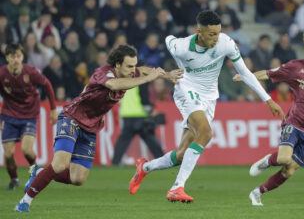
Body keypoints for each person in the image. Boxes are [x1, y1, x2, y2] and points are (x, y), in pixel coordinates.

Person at [129, 10, 285, 203]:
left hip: (210, 97)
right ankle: (177, 188)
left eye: (218, 33)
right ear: (199, 32)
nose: (216, 38)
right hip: (186, 89)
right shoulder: (182, 47)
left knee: (181, 154)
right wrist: (168, 73)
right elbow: (168, 38)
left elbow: (245, 72)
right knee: (206, 133)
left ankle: (144, 168)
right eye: (212, 34)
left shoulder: (226, 43)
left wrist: (268, 99)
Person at [14, 45, 184, 212]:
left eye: (134, 65)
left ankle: (40, 172)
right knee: (59, 165)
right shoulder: (103, 73)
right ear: (117, 64)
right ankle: (24, 202)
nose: (133, 70)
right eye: (129, 66)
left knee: (78, 179)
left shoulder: (130, 72)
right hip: (71, 118)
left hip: (90, 127)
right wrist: (148, 79)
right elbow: (114, 85)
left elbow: (143, 70)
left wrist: (166, 75)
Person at [234, 27, 304, 206]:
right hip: (295, 122)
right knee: (282, 159)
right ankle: (267, 161)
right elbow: (269, 73)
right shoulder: (296, 66)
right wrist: (246, 76)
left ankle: (257, 193)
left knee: (288, 171)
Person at [0, 43, 57, 190]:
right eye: (13, 56)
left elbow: (47, 85)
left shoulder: (31, 72)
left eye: (18, 56)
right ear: (7, 58)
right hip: (9, 115)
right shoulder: (1, 74)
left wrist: (53, 109)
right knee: (8, 154)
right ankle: (14, 179)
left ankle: (35, 170)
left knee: (26, 149)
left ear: (22, 56)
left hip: (29, 115)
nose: (16, 59)